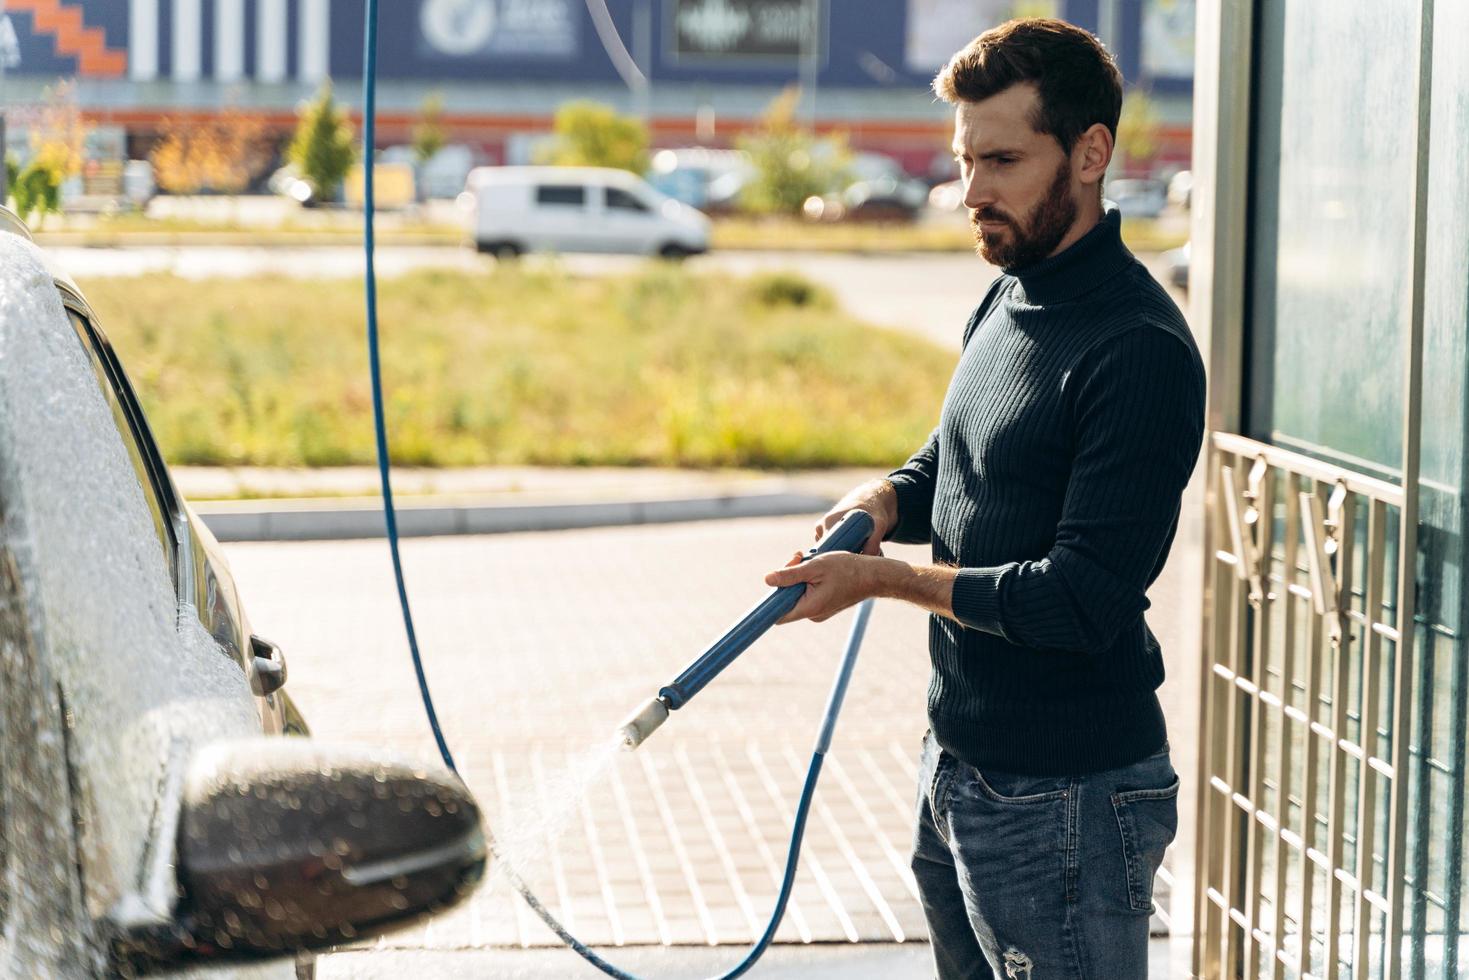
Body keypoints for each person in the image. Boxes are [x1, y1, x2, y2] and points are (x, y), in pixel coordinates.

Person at [763, 18, 1206, 979]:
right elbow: (964, 456)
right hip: (959, 766)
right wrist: (883, 500)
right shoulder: (1013, 292)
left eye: (1001, 159)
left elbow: (1078, 598)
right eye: (966, 160)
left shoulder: (1136, 349)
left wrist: (880, 578)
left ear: (1091, 154)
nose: (971, 193)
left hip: (1068, 801)